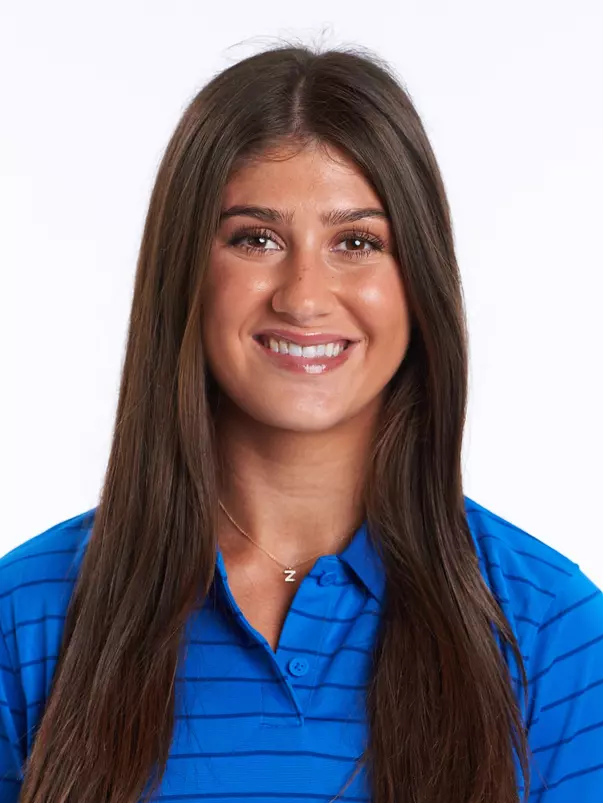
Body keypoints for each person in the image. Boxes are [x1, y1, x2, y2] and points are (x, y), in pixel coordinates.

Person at [0, 43, 601, 803]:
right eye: (256, 238)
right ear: (186, 272)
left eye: (357, 242)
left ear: (418, 281)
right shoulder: (26, 616)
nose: (304, 296)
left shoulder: (549, 628)